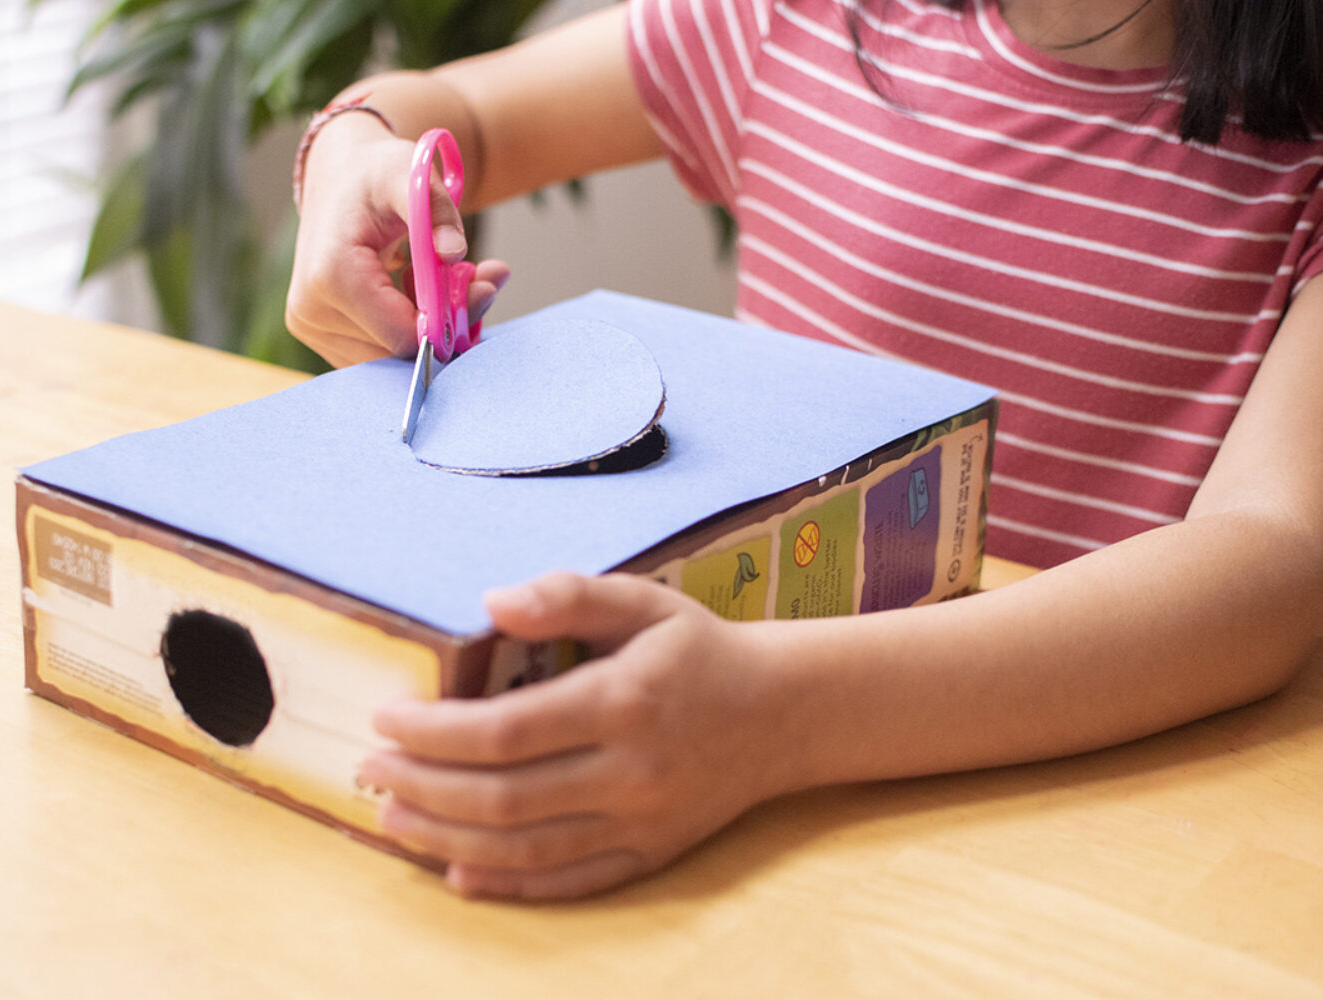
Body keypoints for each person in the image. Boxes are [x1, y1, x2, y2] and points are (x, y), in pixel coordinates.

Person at [285, 0, 1323, 900]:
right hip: (721, 803)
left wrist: (776, 717)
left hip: (1083, 845)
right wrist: (349, 149)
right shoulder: (795, 20)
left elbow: (1274, 555)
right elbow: (464, 116)